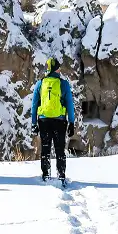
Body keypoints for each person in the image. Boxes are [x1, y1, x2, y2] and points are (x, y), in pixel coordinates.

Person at [30, 57, 76, 185]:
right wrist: (71, 122)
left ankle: (46, 175)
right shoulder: (63, 84)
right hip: (59, 121)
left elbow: (34, 105)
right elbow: (70, 105)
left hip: (43, 121)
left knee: (45, 148)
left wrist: (34, 123)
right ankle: (61, 175)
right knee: (59, 148)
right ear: (57, 69)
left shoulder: (40, 83)